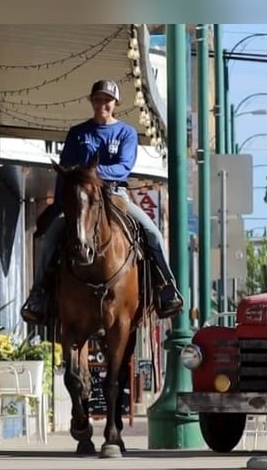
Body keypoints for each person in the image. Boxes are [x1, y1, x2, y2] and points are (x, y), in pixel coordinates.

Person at [20, 79, 184, 324]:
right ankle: (38, 294)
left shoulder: (126, 132)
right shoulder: (78, 133)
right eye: (98, 99)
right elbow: (66, 168)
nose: (102, 104)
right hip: (82, 199)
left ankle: (166, 288)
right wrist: (59, 205)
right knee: (51, 236)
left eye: (107, 100)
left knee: (152, 233)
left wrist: (93, 174)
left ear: (115, 103)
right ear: (91, 101)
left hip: (115, 195)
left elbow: (123, 167)